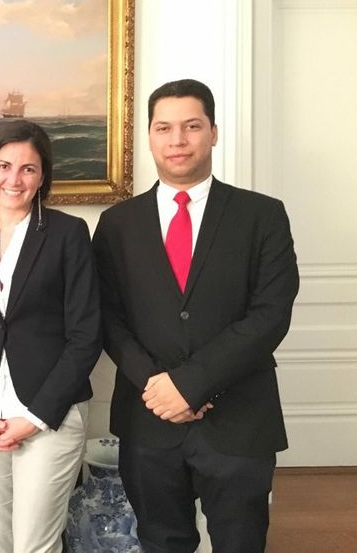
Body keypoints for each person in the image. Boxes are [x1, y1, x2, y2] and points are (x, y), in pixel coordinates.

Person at [92, 79, 299, 553]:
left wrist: (191, 385)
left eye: (191, 126)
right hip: (149, 419)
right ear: (149, 136)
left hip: (239, 419)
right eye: (164, 128)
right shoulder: (117, 224)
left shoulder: (262, 215)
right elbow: (107, 317)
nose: (178, 140)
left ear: (213, 132)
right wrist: (157, 387)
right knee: (161, 542)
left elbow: (270, 314)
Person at [0, 120, 102, 553]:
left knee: (35, 546)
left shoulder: (68, 233)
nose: (14, 179)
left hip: (49, 413)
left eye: (28, 169)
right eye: (4, 166)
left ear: (42, 176)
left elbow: (86, 335)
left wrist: (34, 417)